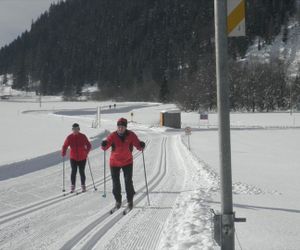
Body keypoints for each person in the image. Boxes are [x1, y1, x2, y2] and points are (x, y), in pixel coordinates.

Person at [101, 118, 145, 210]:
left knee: (128, 181)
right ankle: (118, 201)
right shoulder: (112, 135)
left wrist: (141, 145)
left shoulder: (131, 135)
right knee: (115, 183)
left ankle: (130, 200)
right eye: (119, 127)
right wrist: (104, 144)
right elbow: (105, 146)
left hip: (127, 162)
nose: (120, 129)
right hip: (114, 163)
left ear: (125, 127)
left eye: (122, 127)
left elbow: (138, 145)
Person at [61, 123, 91, 193]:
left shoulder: (83, 136)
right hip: (73, 157)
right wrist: (63, 152)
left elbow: (89, 145)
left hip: (82, 157)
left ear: (79, 129)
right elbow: (65, 145)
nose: (75, 130)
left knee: (81, 171)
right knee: (73, 171)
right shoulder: (69, 137)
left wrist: (86, 152)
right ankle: (73, 185)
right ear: (72, 130)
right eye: (74, 129)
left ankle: (83, 185)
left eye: (77, 129)